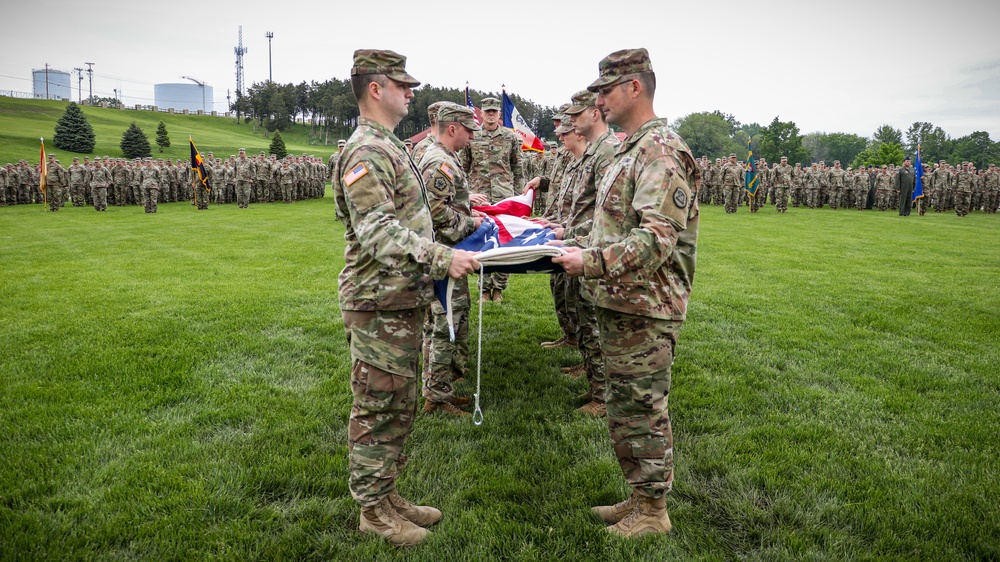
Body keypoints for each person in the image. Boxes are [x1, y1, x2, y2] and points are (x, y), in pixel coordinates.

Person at [333, 49, 479, 546]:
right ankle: (373, 511)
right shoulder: (366, 151)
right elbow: (378, 232)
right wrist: (442, 258)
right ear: (376, 88)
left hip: (397, 299)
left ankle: (388, 494)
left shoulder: (389, 145)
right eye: (402, 85)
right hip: (377, 302)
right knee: (377, 406)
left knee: (398, 404)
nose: (411, 93)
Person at [552, 48, 698, 538]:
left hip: (647, 306)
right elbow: (612, 225)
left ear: (635, 87)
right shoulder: (631, 149)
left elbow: (657, 238)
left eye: (606, 90)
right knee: (624, 409)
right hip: (620, 299)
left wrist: (588, 262)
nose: (599, 101)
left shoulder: (660, 150)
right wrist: (573, 243)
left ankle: (654, 512)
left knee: (643, 409)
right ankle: (639, 497)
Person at [416, 103, 484, 416]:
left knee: (444, 322)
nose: (472, 137)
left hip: (445, 254)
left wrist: (469, 207)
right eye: (469, 130)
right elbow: (436, 212)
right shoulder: (439, 160)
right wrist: (473, 223)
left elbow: (447, 201)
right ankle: (436, 398)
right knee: (445, 324)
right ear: (453, 128)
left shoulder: (443, 155)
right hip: (442, 256)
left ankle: (437, 388)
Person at [557, 88, 620, 416]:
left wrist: (587, 246)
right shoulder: (594, 151)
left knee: (594, 322)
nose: (571, 121)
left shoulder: (608, 151)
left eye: (576, 115)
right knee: (585, 318)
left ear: (594, 113)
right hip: (581, 246)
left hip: (595, 251)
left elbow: (608, 211)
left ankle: (603, 395)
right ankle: (595, 384)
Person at [461, 96, 523, 302]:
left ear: (498, 113)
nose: (490, 115)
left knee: (504, 242)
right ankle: (484, 289)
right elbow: (464, 168)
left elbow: (517, 168)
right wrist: (467, 196)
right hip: (481, 198)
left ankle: (499, 288)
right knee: (484, 241)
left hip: (504, 197)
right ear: (481, 113)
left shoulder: (510, 137)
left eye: (494, 111)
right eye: (487, 111)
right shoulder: (473, 136)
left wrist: (518, 196)